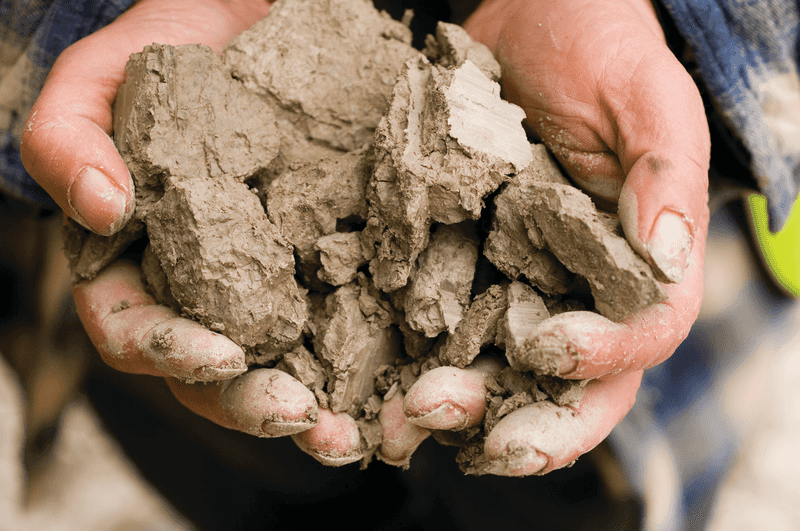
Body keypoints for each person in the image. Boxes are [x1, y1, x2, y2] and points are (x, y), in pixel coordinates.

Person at [1, 0, 798, 527]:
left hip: (675, 378)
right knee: (255, 478)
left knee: (587, 498)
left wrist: (680, 20)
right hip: (222, 408)